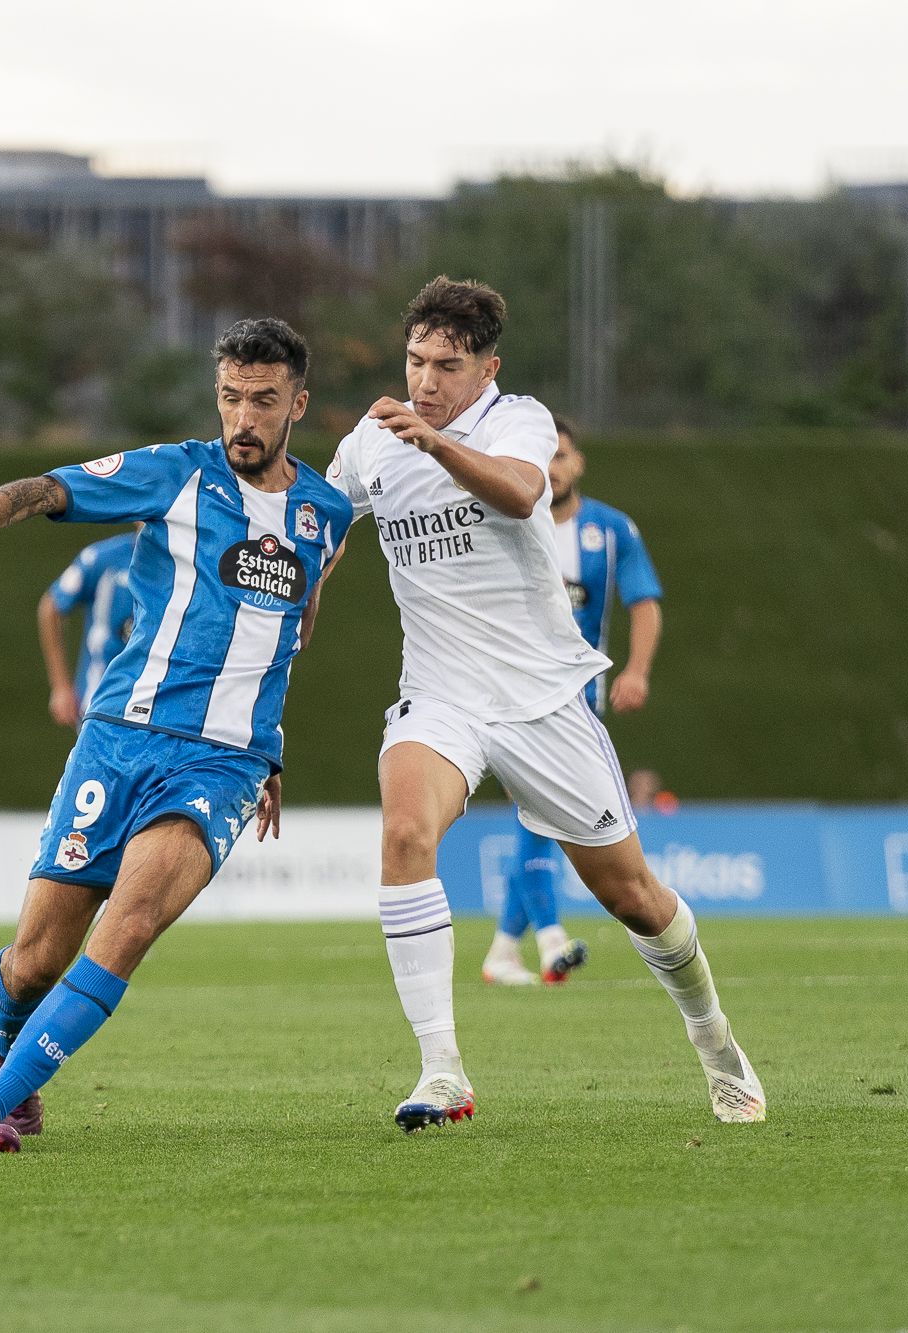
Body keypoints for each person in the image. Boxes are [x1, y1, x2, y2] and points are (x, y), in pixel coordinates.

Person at [0, 318, 354, 1153]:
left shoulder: (326, 511)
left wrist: (266, 737)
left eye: (262, 401)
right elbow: (44, 490)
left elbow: (295, 626)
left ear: (298, 403)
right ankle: (16, 1062)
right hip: (119, 739)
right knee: (34, 960)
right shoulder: (174, 474)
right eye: (230, 398)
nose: (243, 419)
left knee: (132, 920)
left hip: (222, 762)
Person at [325, 276, 764, 1129]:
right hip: (439, 692)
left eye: (447, 366)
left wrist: (435, 443)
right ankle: (442, 1070)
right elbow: (321, 526)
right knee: (407, 831)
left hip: (540, 699)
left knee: (632, 893)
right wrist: (298, 602)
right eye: (415, 360)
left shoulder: (515, 420)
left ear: (487, 367)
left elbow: (523, 491)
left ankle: (715, 1039)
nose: (425, 382)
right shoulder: (372, 443)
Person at [480, 416, 664, 987]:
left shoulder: (611, 530)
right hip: (512, 699)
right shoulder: (505, 521)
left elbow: (644, 601)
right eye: (545, 455)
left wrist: (636, 670)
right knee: (543, 819)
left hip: (581, 700)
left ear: (578, 462)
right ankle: (551, 939)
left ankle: (504, 950)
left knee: (544, 818)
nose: (553, 468)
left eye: (562, 456)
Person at [36, 529, 138, 728]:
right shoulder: (103, 558)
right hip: (98, 699)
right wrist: (60, 686)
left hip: (158, 703)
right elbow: (51, 606)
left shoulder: (188, 564)